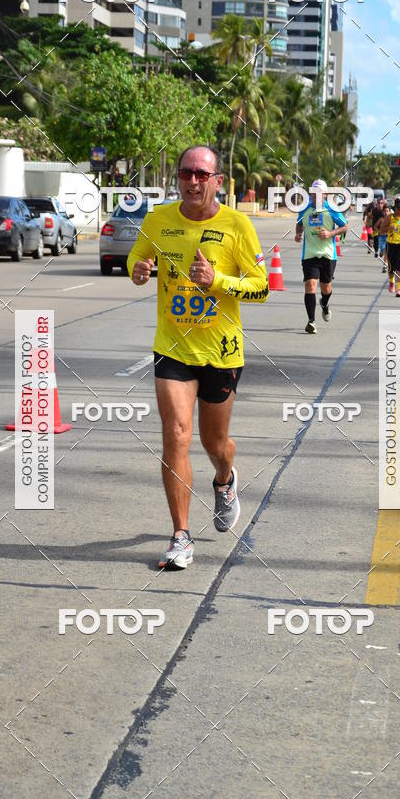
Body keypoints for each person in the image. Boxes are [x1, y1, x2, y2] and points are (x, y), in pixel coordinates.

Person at [127, 145, 269, 570]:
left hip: (222, 353)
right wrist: (137, 269)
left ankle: (225, 480)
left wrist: (218, 281)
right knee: (176, 434)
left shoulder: (238, 225)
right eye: (187, 173)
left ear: (217, 181)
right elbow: (138, 255)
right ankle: (181, 536)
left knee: (214, 443)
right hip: (173, 348)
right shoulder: (158, 220)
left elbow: (261, 286)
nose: (193, 181)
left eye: (202, 174)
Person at [295, 179, 348, 333]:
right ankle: (311, 321)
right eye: (313, 193)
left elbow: (344, 227)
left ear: (325, 194)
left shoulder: (331, 209)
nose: (315, 196)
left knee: (326, 287)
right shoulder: (304, 208)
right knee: (310, 285)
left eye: (319, 193)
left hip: (328, 254)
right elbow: (299, 223)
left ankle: (324, 305)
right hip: (310, 253)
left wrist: (330, 233)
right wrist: (298, 233)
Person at [374, 204, 392, 272]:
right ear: (383, 212)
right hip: (381, 237)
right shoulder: (381, 219)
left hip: (388, 237)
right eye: (385, 211)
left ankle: (384, 265)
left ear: (390, 212)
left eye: (387, 211)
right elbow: (375, 226)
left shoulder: (391, 220)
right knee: (382, 250)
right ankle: (380, 252)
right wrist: (379, 231)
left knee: (385, 251)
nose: (386, 212)